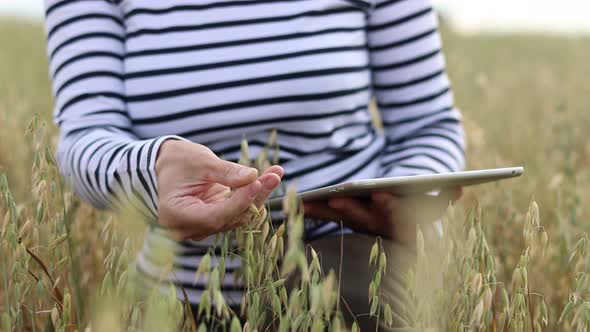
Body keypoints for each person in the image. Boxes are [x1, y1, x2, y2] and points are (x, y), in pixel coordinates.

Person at [43, 0, 465, 329]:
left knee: (343, 298)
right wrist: (152, 170)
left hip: (349, 287)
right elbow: (86, 137)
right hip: (174, 302)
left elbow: (428, 125)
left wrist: (412, 203)